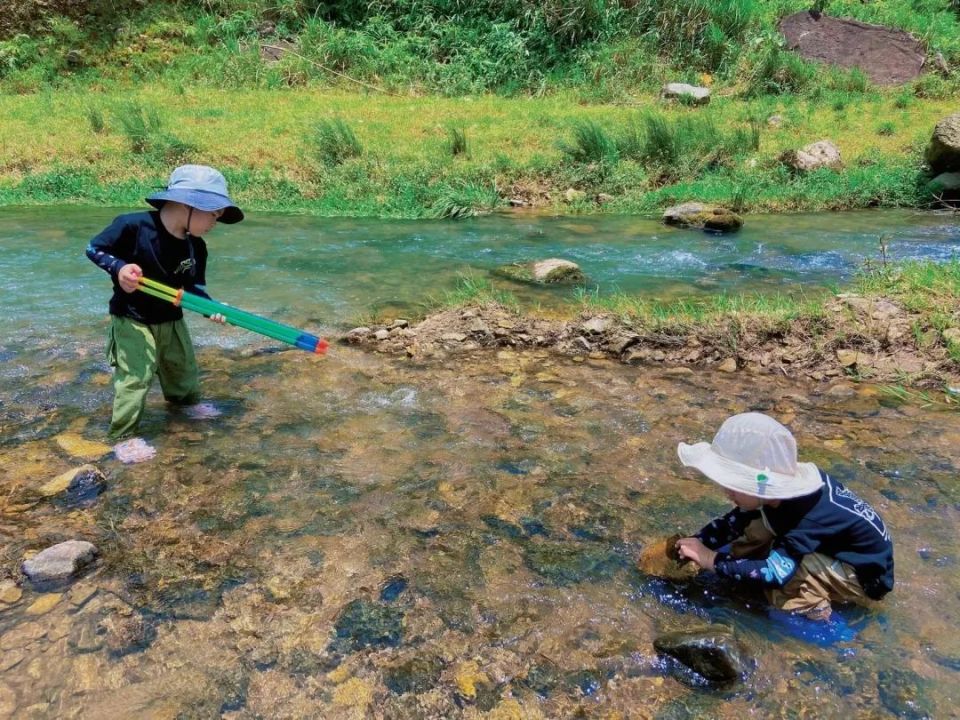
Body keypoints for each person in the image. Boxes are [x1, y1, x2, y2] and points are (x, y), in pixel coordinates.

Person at [673, 412, 894, 621]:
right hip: (839, 547)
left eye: (733, 485)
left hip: (864, 577)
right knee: (756, 524)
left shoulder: (805, 518)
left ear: (759, 485)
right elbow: (737, 521)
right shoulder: (777, 493)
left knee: (789, 580)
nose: (726, 492)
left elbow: (775, 573)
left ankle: (819, 617)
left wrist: (711, 560)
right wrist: (699, 542)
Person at [85, 164, 243, 444]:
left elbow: (194, 290)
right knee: (136, 376)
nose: (214, 223)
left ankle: (185, 407)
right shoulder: (133, 226)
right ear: (187, 204)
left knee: (182, 369)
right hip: (131, 317)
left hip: (171, 319)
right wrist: (119, 268)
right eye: (213, 214)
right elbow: (94, 249)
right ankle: (124, 435)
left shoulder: (197, 247)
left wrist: (213, 310)